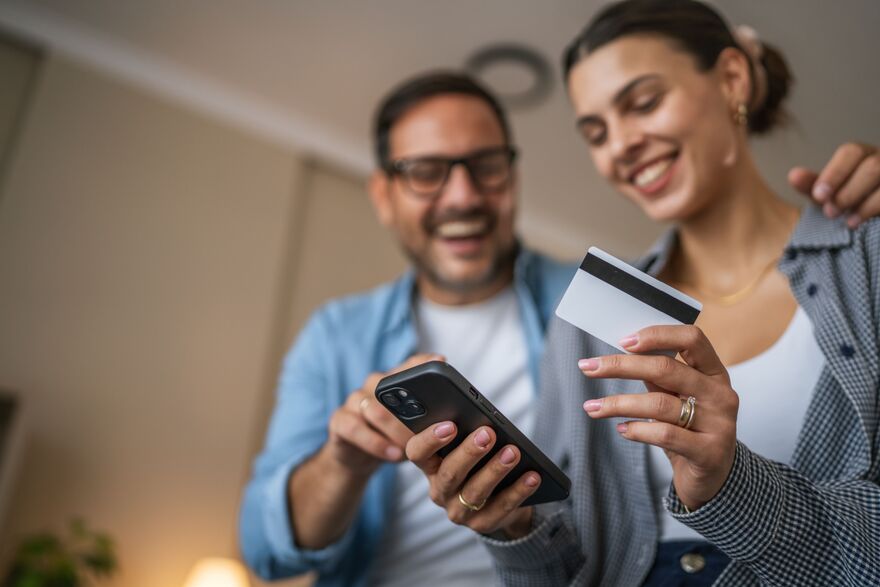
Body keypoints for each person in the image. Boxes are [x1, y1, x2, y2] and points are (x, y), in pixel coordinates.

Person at [404, 1, 880, 586]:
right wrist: (513, 528)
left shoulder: (866, 260)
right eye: (596, 132)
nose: (620, 145)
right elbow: (560, 568)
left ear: (732, 79)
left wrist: (734, 486)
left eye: (644, 102)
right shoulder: (588, 314)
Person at [238, 71, 577, 586]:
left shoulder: (585, 301)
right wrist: (343, 464)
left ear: (512, 176)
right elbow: (266, 553)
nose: (462, 196)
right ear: (383, 195)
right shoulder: (336, 335)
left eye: (485, 166)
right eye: (426, 171)